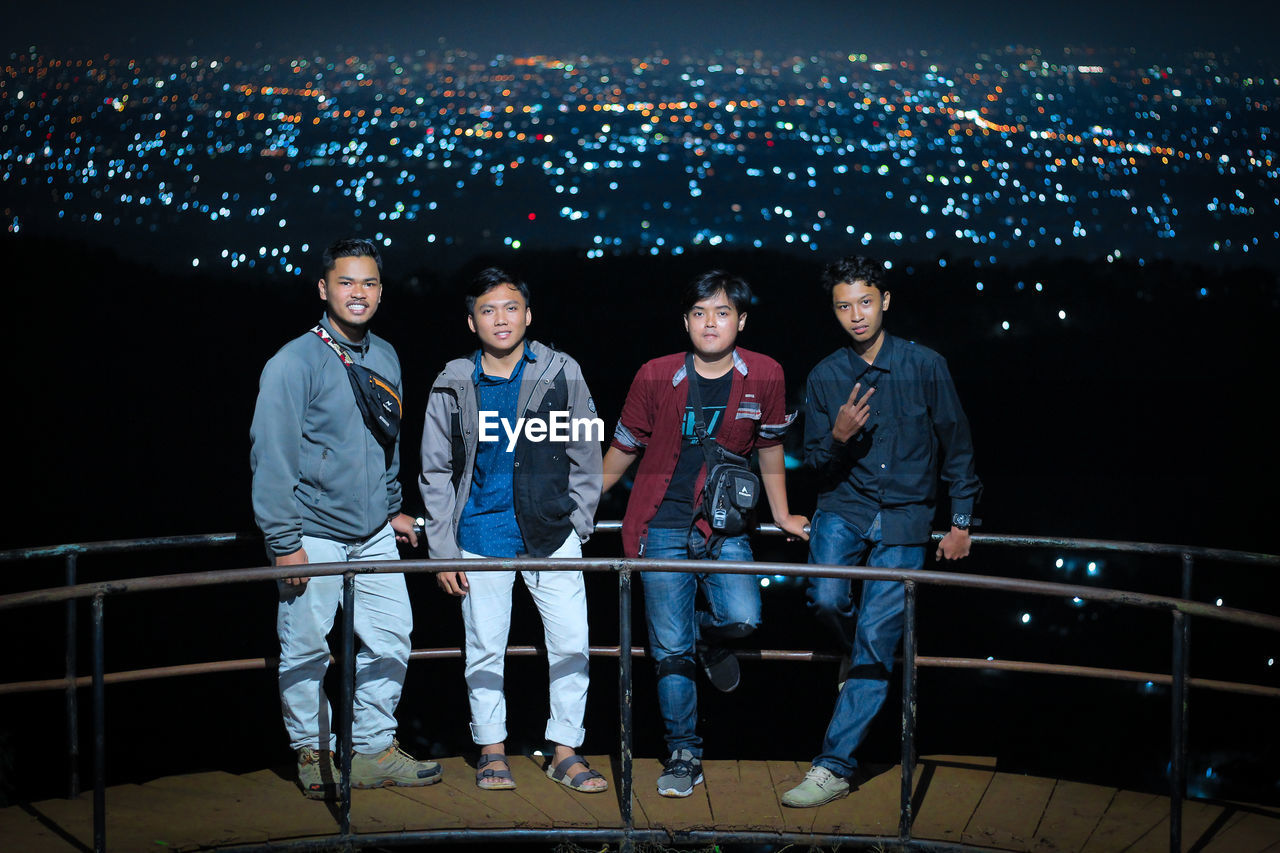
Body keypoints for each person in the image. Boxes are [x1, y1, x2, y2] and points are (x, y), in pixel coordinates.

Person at [781, 256, 981, 807]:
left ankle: (833, 767)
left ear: (885, 300)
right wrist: (840, 434)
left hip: (906, 516)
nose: (856, 315)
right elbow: (817, 463)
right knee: (824, 597)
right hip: (843, 506)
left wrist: (961, 521)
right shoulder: (825, 376)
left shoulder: (926, 365)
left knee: (877, 639)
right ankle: (854, 655)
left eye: (865, 302)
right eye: (844, 306)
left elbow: (957, 446)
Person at [601, 270, 809, 798]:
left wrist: (783, 514)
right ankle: (682, 753)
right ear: (685, 322)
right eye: (699, 313)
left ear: (741, 320)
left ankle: (708, 640)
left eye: (721, 313)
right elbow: (623, 448)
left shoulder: (764, 373)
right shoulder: (656, 374)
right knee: (668, 649)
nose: (710, 323)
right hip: (661, 526)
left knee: (741, 616)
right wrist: (585, 505)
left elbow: (768, 449)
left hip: (725, 527)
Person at [250, 237, 440, 800]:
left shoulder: (385, 355)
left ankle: (371, 750)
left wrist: (391, 509)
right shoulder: (292, 362)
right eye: (347, 282)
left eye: (370, 283)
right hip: (311, 533)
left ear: (381, 292)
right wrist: (285, 543)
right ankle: (313, 754)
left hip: (375, 533)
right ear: (324, 288)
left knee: (392, 639)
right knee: (307, 646)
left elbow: (389, 443)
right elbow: (271, 455)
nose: (358, 293)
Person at [419, 268, 607, 793]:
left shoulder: (560, 369)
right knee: (484, 646)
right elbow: (435, 470)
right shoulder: (454, 380)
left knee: (572, 643)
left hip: (551, 532)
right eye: (487, 309)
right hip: (480, 534)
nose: (500, 319)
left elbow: (585, 451)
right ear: (471, 320)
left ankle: (565, 750)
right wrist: (442, 550)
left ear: (528, 314)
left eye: (510, 308)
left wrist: (579, 520)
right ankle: (491, 750)